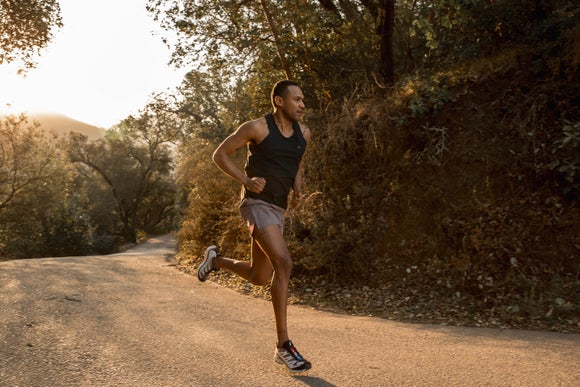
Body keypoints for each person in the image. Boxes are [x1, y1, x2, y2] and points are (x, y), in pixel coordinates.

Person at [196, 80, 312, 373]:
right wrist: (246, 181)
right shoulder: (257, 128)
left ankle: (215, 260)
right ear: (279, 101)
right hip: (256, 205)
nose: (301, 105)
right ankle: (283, 346)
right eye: (296, 99)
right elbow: (220, 154)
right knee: (284, 263)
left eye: (303, 100)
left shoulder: (304, 134)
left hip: (278, 209)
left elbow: (296, 164)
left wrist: (298, 191)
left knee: (260, 276)